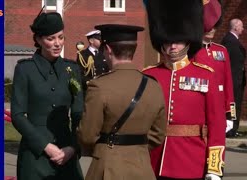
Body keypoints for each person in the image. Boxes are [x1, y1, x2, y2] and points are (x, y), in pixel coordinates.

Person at [143, 0, 226, 179]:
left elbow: (217, 125)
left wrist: (214, 168)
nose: (173, 46)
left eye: (178, 41)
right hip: (153, 160)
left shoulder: (206, 75)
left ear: (188, 41)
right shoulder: (149, 75)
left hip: (191, 160)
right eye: (168, 41)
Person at [77, 24, 167, 180]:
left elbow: (87, 135)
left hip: (108, 166)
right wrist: (136, 148)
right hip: (142, 167)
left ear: (109, 50)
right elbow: (158, 134)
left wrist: (102, 149)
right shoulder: (153, 85)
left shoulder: (99, 86)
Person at [10, 11, 84, 180]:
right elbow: (18, 115)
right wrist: (45, 146)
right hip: (35, 155)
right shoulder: (25, 69)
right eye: (51, 39)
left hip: (67, 152)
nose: (58, 43)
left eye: (61, 37)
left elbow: (79, 113)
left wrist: (73, 147)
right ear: (38, 40)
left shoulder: (71, 69)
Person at [194, 0, 236, 133]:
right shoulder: (192, 50)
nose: (212, 29)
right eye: (209, 26)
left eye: (214, 26)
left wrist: (231, 114)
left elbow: (228, 84)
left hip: (218, 108)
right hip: (199, 107)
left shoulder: (222, 51)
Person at [221, 18, 246, 138]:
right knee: (232, 105)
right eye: (241, 26)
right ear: (235, 27)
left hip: (237, 81)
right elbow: (224, 62)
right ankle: (230, 129)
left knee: (236, 104)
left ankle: (233, 129)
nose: (243, 29)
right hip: (232, 81)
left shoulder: (233, 40)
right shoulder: (229, 41)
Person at [76, 30, 109, 97]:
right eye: (99, 39)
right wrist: (90, 82)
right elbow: (79, 73)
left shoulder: (103, 54)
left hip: (103, 89)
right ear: (91, 41)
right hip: (90, 90)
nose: (101, 41)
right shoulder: (83, 55)